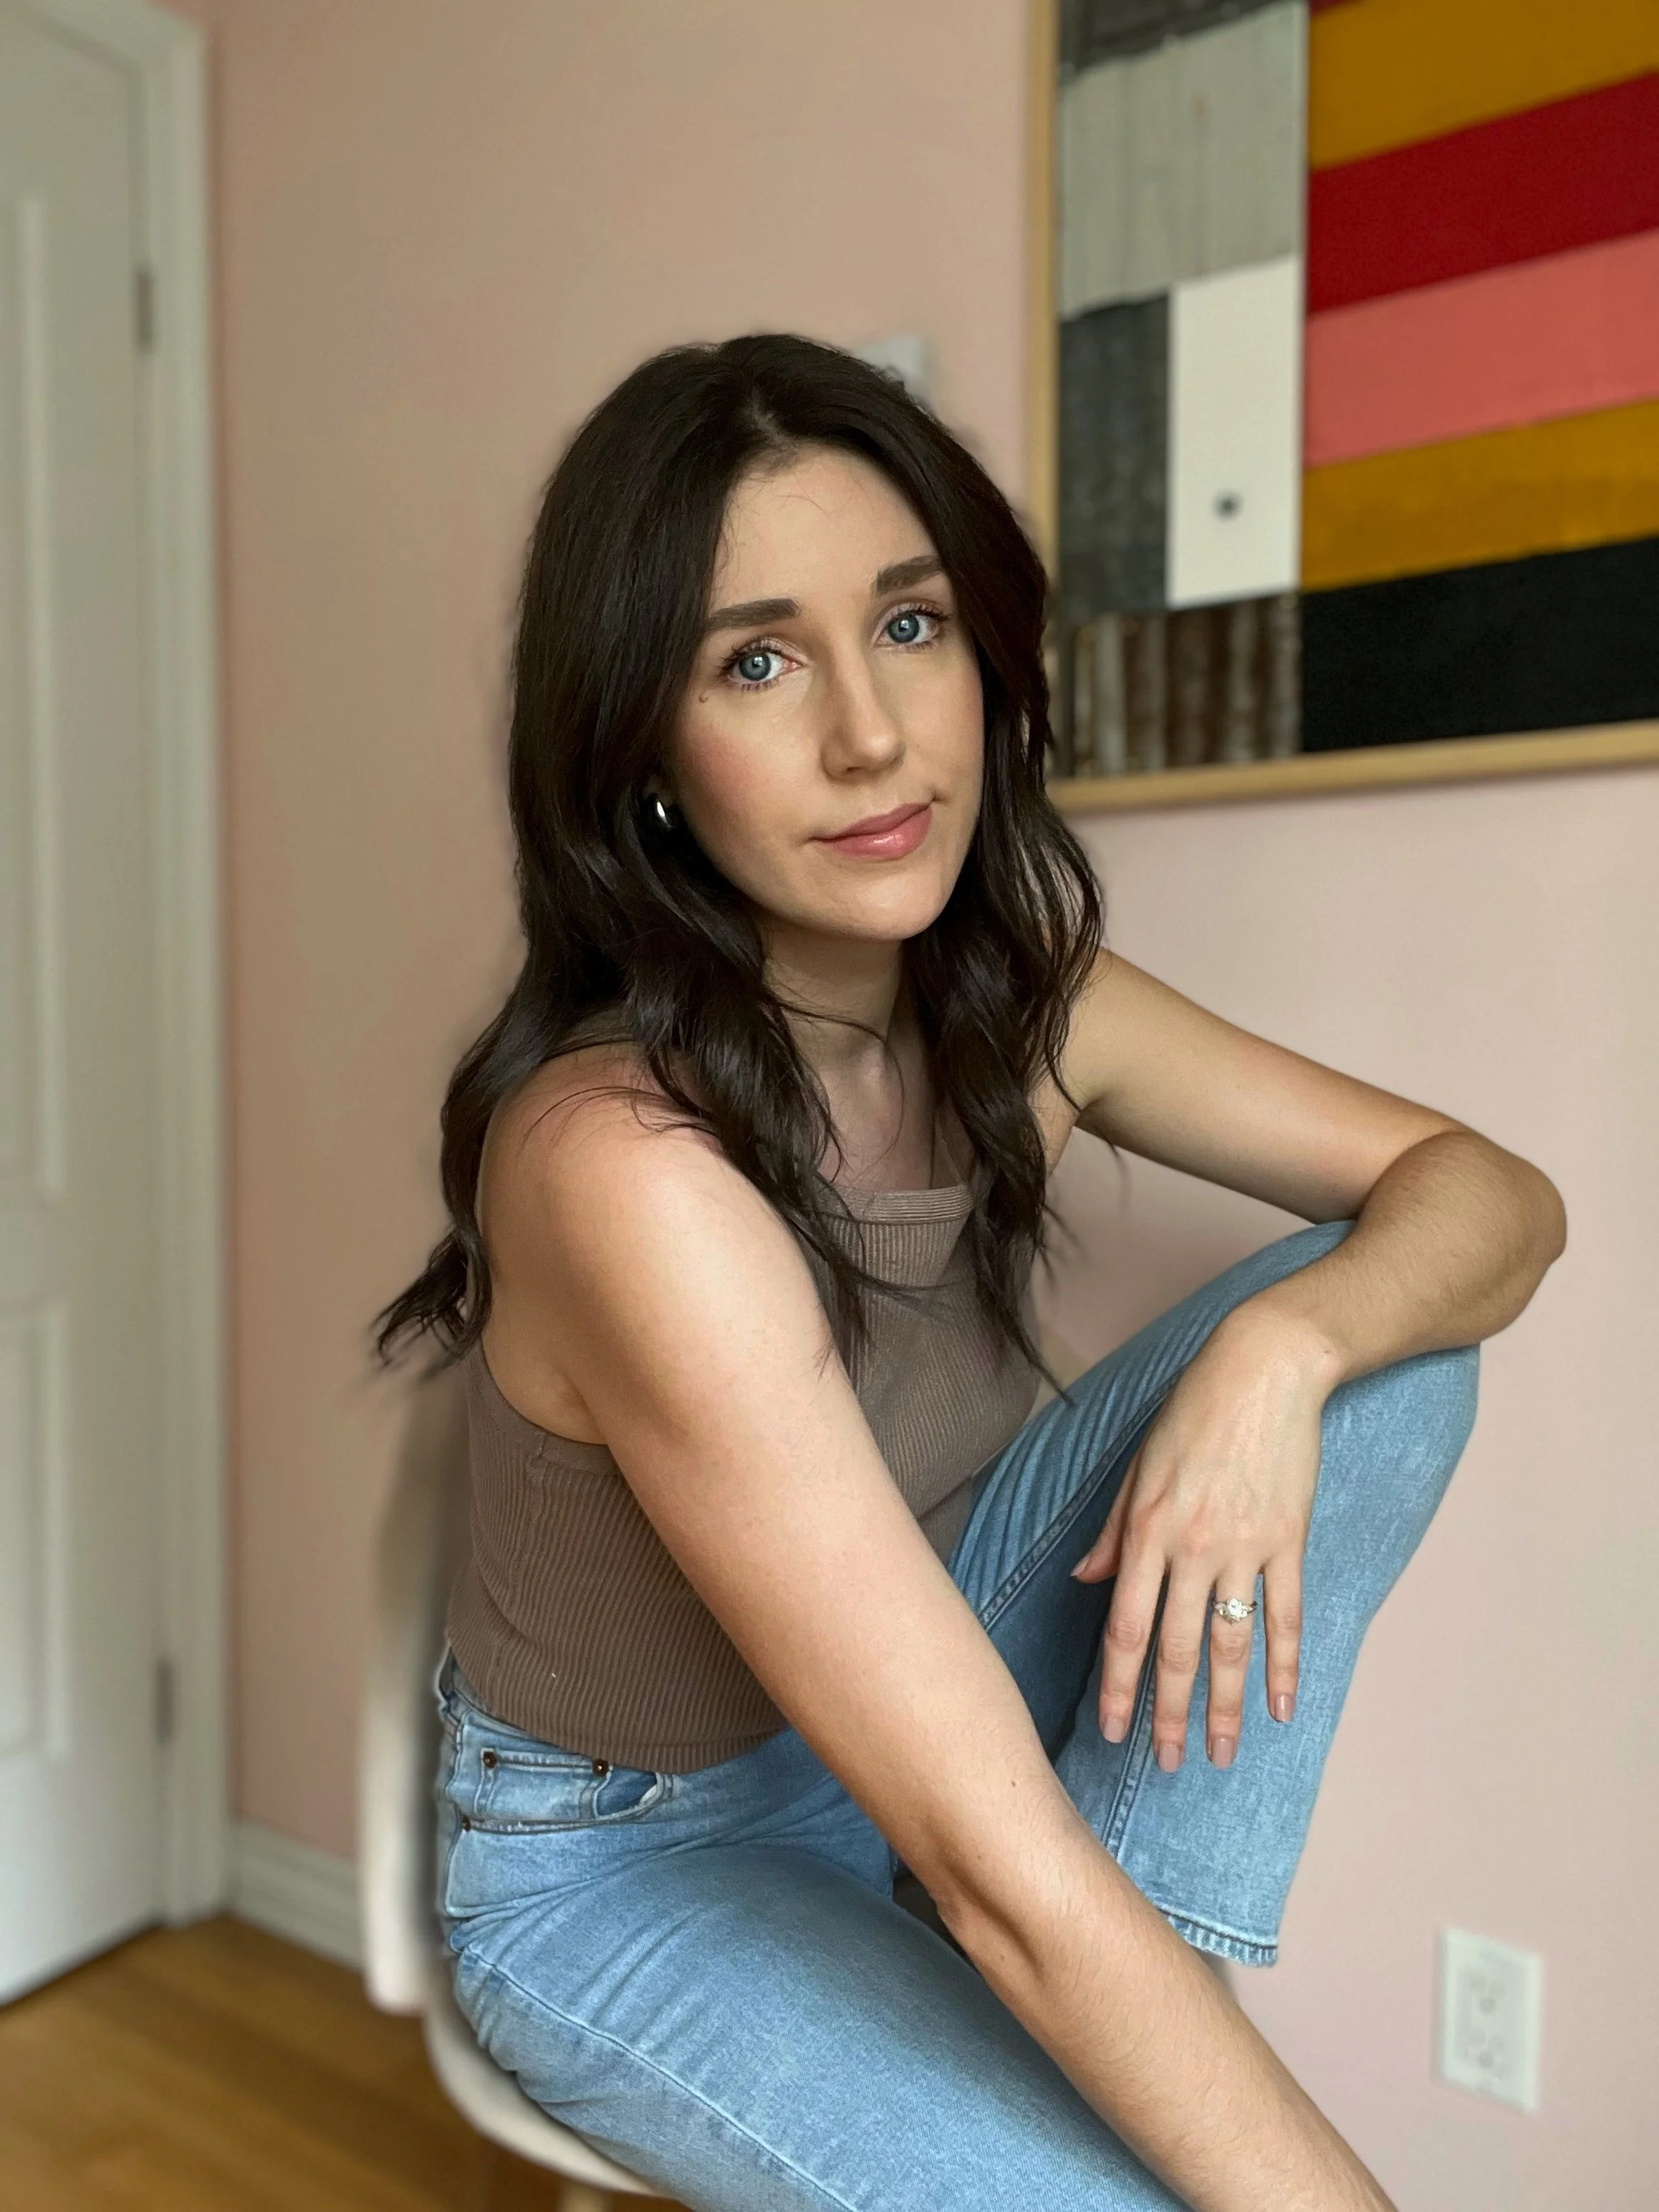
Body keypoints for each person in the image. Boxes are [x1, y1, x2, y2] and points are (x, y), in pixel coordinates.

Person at [376, 334, 1564, 2212]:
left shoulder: (1017, 1005)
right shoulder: (627, 1171)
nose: (869, 733)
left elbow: (1488, 1198)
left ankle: (1128, 1952)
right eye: (755, 661)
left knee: (1386, 1337)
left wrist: (1281, 1345)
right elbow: (983, 1842)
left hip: (919, 1726)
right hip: (635, 1864)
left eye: (907, 626)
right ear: (642, 752)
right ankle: (1089, 1976)